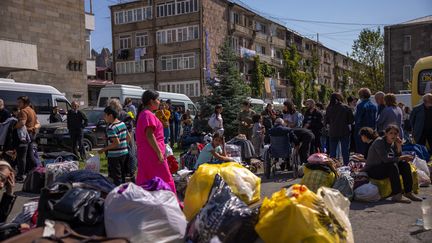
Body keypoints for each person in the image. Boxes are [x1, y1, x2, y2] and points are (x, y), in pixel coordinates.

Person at [364, 125, 422, 203]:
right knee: (392, 166)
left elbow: (398, 157)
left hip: (384, 167)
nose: (393, 135)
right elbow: (386, 160)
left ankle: (408, 192)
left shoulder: (394, 142)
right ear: (386, 134)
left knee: (404, 165)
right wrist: (402, 157)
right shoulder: (379, 142)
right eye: (391, 133)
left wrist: (398, 147)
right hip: (373, 170)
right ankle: (397, 195)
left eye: (395, 134)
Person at [136, 90, 176, 193]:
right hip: (152, 154)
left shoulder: (145, 114)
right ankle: (171, 204)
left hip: (149, 153)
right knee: (165, 178)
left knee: (148, 180)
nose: (159, 102)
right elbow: (149, 135)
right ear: (151, 101)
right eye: (158, 99)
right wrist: (159, 153)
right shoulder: (147, 115)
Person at [98, 106, 130, 186]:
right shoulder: (122, 123)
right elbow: (128, 137)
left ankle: (118, 193)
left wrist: (104, 149)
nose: (104, 117)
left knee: (117, 177)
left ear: (110, 116)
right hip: (124, 153)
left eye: (105, 115)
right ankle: (124, 191)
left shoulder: (111, 128)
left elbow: (116, 143)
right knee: (122, 174)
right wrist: (124, 145)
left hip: (115, 155)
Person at [325, 93, 354, 165]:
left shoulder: (329, 108)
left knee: (332, 151)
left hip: (333, 131)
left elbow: (326, 120)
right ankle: (346, 164)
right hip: (344, 131)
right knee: (345, 150)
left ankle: (332, 166)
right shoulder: (346, 107)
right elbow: (351, 120)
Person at [15, 96, 39, 182]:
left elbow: (22, 123)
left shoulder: (23, 111)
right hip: (31, 135)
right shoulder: (32, 110)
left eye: (20, 102)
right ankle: (35, 171)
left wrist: (14, 126)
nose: (18, 104)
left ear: (25, 103)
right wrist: (33, 128)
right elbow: (37, 123)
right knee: (30, 155)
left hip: (24, 136)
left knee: (22, 156)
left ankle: (21, 175)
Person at [355, 88, 377, 155]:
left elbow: (357, 119)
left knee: (361, 150)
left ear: (361, 96)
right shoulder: (374, 106)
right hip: (371, 129)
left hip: (362, 129)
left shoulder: (360, 105)